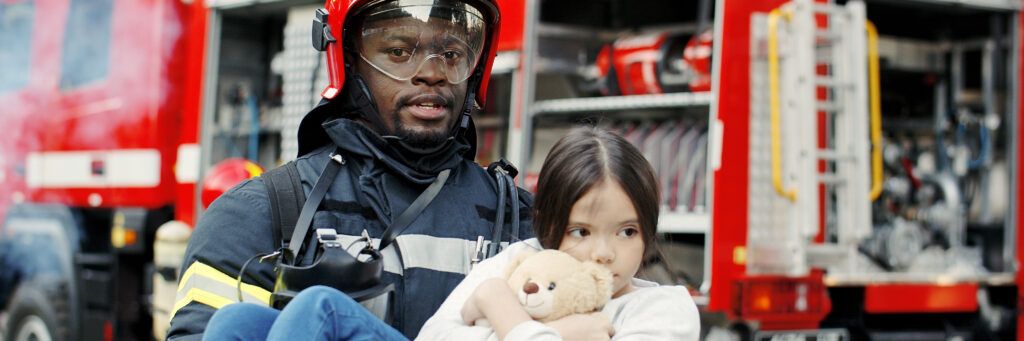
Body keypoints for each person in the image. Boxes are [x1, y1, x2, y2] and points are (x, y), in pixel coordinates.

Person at [166, 0, 532, 339]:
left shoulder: (523, 219)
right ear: (349, 62)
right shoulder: (261, 214)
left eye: (452, 54)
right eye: (399, 52)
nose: (433, 73)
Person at [417, 126, 701, 340]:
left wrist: (498, 304)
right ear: (548, 226)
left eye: (627, 231)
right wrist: (562, 332)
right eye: (581, 232)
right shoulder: (522, 260)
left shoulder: (664, 310)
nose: (603, 253)